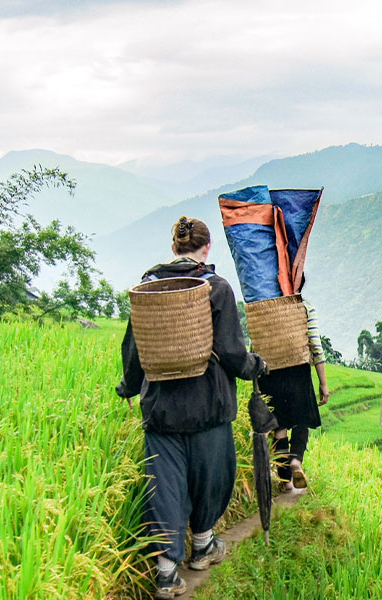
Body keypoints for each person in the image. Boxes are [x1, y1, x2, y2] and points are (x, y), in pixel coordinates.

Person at [116, 217, 267, 599]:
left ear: (173, 248)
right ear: (207, 248)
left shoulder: (148, 289)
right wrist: (255, 367)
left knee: (164, 487)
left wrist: (128, 387)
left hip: (161, 409)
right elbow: (233, 352)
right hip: (208, 406)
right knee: (211, 479)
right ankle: (202, 546)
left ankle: (166, 573)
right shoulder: (215, 288)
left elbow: (135, 350)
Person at [259, 291, 330, 492]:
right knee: (301, 420)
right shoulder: (304, 305)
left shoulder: (263, 306)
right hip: (298, 370)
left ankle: (284, 481)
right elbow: (315, 345)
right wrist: (323, 383)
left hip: (270, 371)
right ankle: (296, 461)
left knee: (279, 426)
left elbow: (255, 344)